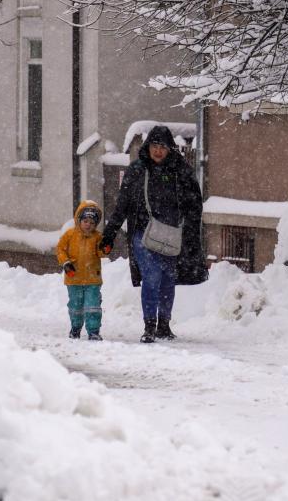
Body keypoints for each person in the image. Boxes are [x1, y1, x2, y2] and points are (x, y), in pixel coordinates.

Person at [100, 125, 208, 343]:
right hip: (143, 234)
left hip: (171, 235)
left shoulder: (180, 171)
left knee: (168, 280)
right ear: (148, 146)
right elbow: (122, 205)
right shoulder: (137, 170)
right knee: (152, 277)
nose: (158, 151)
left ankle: (164, 325)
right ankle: (149, 326)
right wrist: (109, 235)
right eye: (155, 146)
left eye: (163, 147)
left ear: (170, 149)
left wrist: (189, 234)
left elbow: (194, 205)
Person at [56, 200, 108, 341]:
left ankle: (93, 331)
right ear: (79, 220)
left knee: (93, 306)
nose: (88, 225)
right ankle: (75, 328)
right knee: (76, 306)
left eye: (92, 223)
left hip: (93, 279)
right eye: (85, 221)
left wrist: (105, 248)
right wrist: (66, 263)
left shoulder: (97, 237)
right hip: (73, 278)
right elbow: (60, 249)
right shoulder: (69, 235)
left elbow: (101, 253)